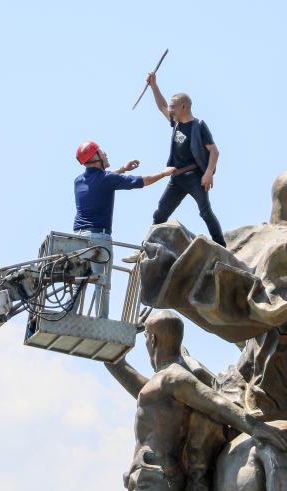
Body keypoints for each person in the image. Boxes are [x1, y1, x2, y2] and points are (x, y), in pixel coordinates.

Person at [104, 310, 287, 491]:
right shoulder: (161, 384)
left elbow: (217, 404)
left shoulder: (174, 377)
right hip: (151, 477)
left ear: (152, 340)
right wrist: (115, 346)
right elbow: (126, 375)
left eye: (147, 338)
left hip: (158, 475)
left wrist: (256, 428)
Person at [72, 141, 174, 317]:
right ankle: (101, 322)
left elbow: (102, 178)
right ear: (95, 157)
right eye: (100, 151)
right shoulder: (107, 179)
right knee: (102, 284)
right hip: (99, 239)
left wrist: (123, 169)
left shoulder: (79, 181)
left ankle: (68, 315)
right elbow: (141, 181)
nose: (105, 153)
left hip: (78, 238)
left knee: (77, 282)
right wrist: (164, 173)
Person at [145, 73, 226, 246]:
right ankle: (148, 246)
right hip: (176, 177)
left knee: (205, 211)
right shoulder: (176, 123)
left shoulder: (198, 126)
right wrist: (154, 86)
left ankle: (221, 246)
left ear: (183, 107)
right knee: (160, 213)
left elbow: (214, 151)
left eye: (173, 107)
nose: (170, 110)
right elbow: (162, 106)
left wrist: (208, 173)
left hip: (194, 176)